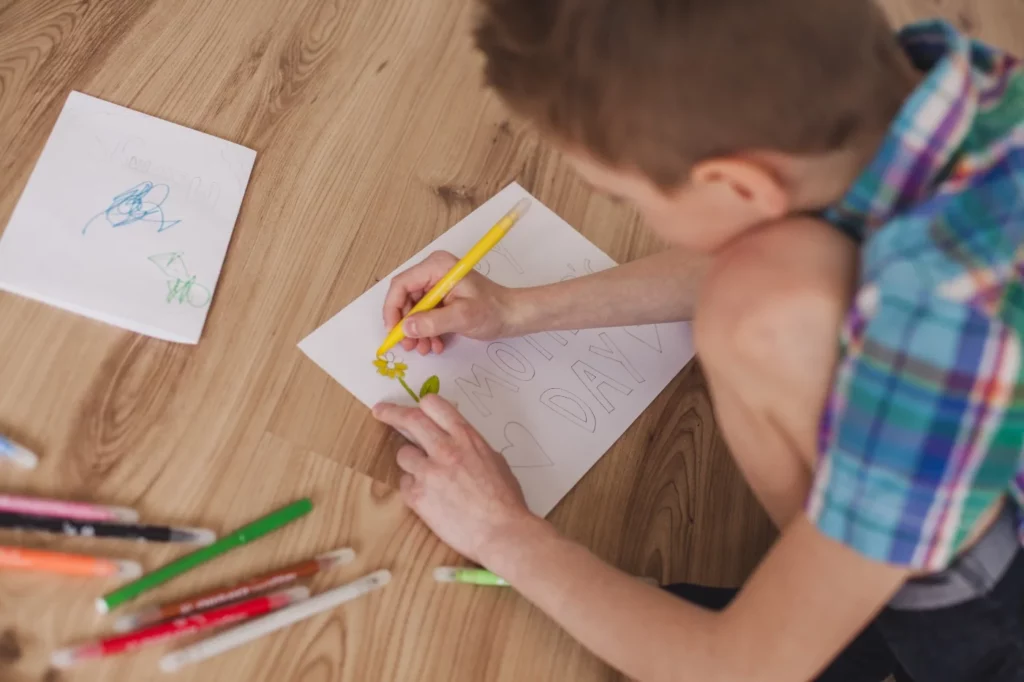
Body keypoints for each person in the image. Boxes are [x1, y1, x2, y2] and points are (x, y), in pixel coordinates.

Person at [371, 1, 1024, 680]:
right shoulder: (951, 89)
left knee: (758, 298)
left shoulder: (935, 322)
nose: (635, 213)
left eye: (626, 199)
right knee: (776, 272)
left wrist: (503, 534)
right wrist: (515, 310)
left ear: (739, 183)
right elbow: (789, 226)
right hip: (979, 463)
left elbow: (740, 668)